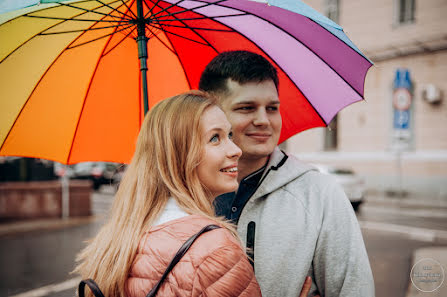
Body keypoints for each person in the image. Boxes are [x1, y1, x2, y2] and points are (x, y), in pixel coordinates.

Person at [199, 51, 375, 297]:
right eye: (247, 108)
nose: (264, 120)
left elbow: (354, 290)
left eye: (272, 108)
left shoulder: (320, 195)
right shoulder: (183, 191)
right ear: (211, 113)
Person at [74, 91, 262, 297]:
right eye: (215, 138)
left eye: (230, 135)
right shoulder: (214, 249)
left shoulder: (116, 239)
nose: (236, 150)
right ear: (179, 155)